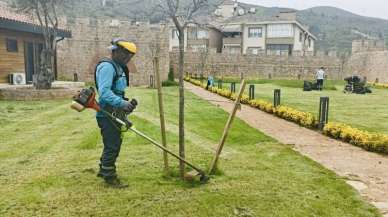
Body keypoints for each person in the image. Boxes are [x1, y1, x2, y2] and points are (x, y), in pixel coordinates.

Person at [94, 38, 137, 188]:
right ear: (115, 51)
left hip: (114, 112)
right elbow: (104, 92)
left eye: (130, 56)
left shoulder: (118, 67)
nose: (128, 58)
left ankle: (103, 169)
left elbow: (116, 91)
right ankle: (110, 177)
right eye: (125, 54)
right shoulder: (107, 67)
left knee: (112, 143)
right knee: (112, 145)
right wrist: (122, 103)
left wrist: (126, 104)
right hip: (106, 113)